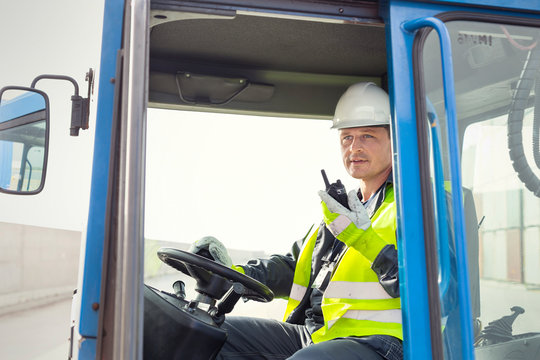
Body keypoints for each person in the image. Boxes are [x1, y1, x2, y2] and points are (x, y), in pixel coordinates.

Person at [190, 82, 402, 360]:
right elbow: (294, 267)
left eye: (367, 136)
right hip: (319, 334)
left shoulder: (414, 203)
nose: (354, 147)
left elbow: (434, 288)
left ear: (393, 139)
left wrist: (366, 241)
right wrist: (232, 272)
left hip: (385, 343)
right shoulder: (341, 210)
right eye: (347, 138)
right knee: (203, 335)